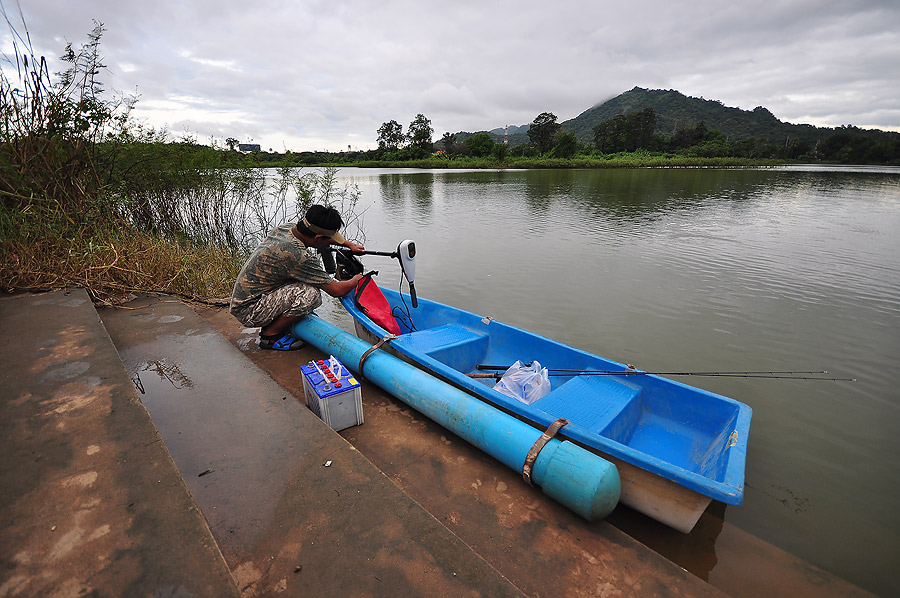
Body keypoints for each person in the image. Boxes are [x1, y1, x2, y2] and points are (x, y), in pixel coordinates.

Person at [230, 205, 365, 350]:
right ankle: (270, 335)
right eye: (328, 239)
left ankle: (282, 320)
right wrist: (358, 278)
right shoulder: (298, 255)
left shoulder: (287, 228)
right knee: (311, 294)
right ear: (318, 237)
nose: (330, 241)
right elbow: (336, 290)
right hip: (250, 311)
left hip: (243, 300)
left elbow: (320, 237)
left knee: (304, 282)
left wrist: (349, 244)